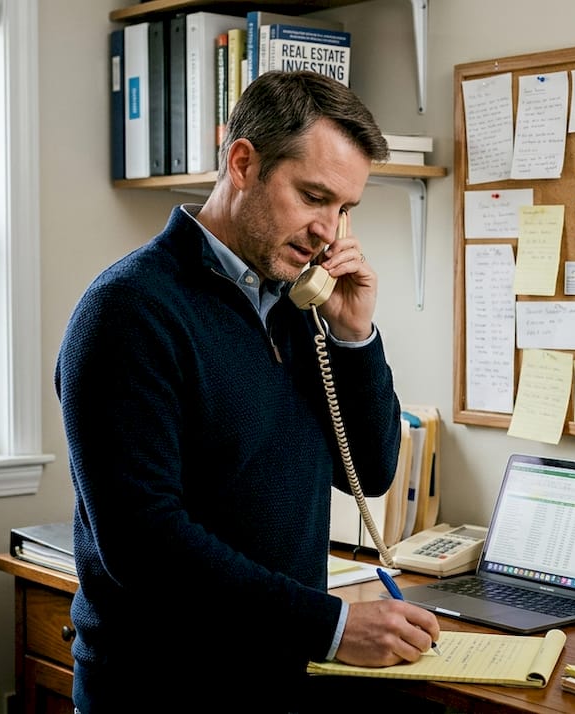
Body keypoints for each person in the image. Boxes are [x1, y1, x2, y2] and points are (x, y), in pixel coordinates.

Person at [55, 70, 442, 712]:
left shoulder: (298, 306)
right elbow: (144, 545)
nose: (329, 231)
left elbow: (370, 469)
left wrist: (355, 334)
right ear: (242, 164)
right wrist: (333, 626)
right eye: (313, 196)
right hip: (159, 693)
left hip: (277, 681)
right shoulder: (128, 311)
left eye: (345, 210)